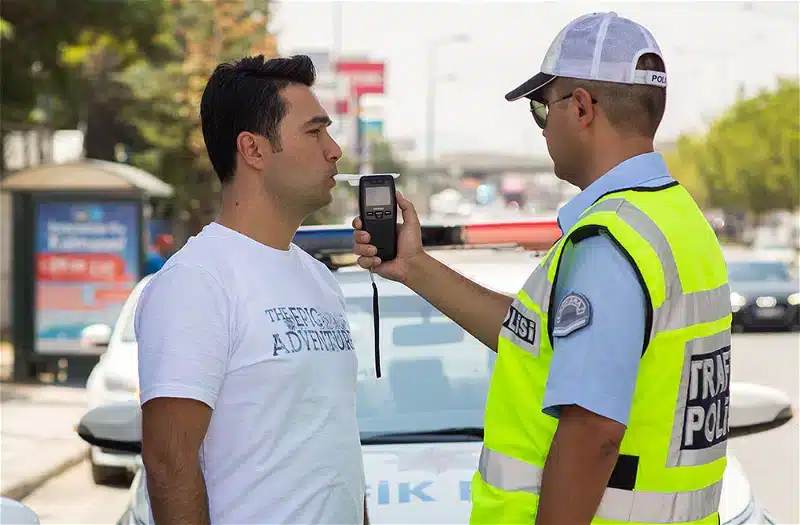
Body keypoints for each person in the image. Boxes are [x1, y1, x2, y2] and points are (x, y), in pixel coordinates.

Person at [353, 11, 732, 525]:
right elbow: (539, 341)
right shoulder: (676, 221)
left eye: (541, 108)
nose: (542, 128)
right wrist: (415, 266)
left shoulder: (608, 242)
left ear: (579, 108)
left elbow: (592, 434)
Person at [135, 54, 367, 525]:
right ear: (254, 150)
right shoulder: (198, 281)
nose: (335, 149)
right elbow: (168, 463)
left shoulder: (318, 278)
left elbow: (333, 449)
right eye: (315, 132)